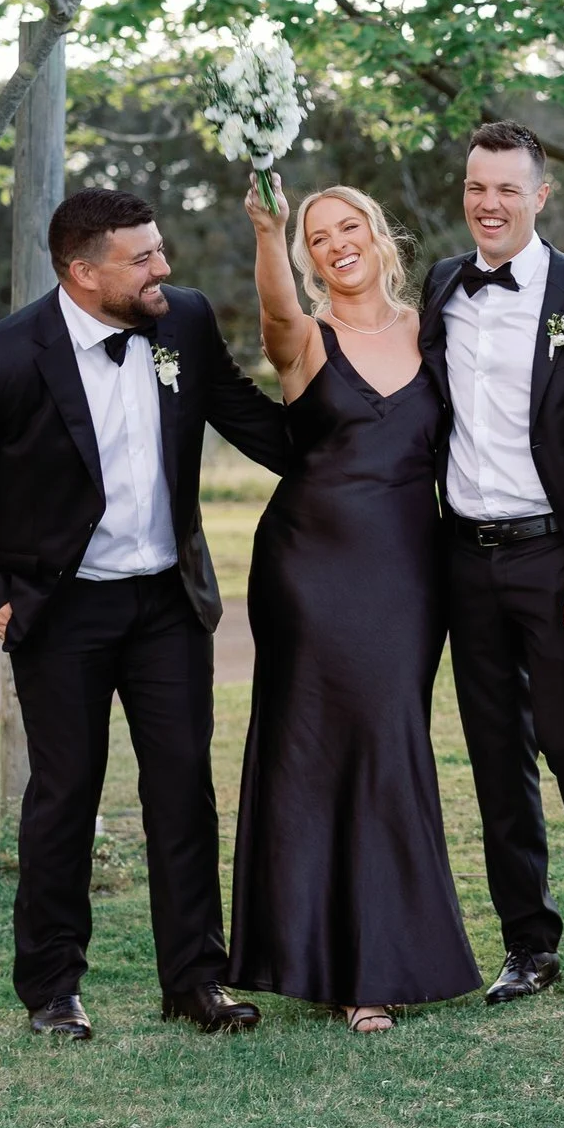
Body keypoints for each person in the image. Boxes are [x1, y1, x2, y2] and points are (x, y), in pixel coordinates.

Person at [0, 188, 289, 1041]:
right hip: (60, 610)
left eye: (159, 249)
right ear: (83, 273)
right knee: (65, 795)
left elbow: (254, 423)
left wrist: (355, 437)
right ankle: (53, 990)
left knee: (183, 790)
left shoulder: (180, 322)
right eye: (143, 257)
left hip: (167, 602)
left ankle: (195, 979)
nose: (164, 268)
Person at [224, 178, 481, 1031]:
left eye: (349, 227)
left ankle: (383, 947)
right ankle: (351, 968)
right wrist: (266, 231)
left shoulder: (432, 330)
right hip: (310, 568)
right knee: (315, 750)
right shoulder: (305, 338)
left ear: (378, 235)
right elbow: (274, 315)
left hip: (409, 570)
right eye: (317, 235)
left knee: (390, 739)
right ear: (308, 255)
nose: (337, 243)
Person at [418, 122, 564, 1004]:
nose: (489, 203)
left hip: (558, 552)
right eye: (477, 186)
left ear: (541, 196)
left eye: (508, 189)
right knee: (493, 752)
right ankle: (528, 943)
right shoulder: (442, 284)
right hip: (463, 554)